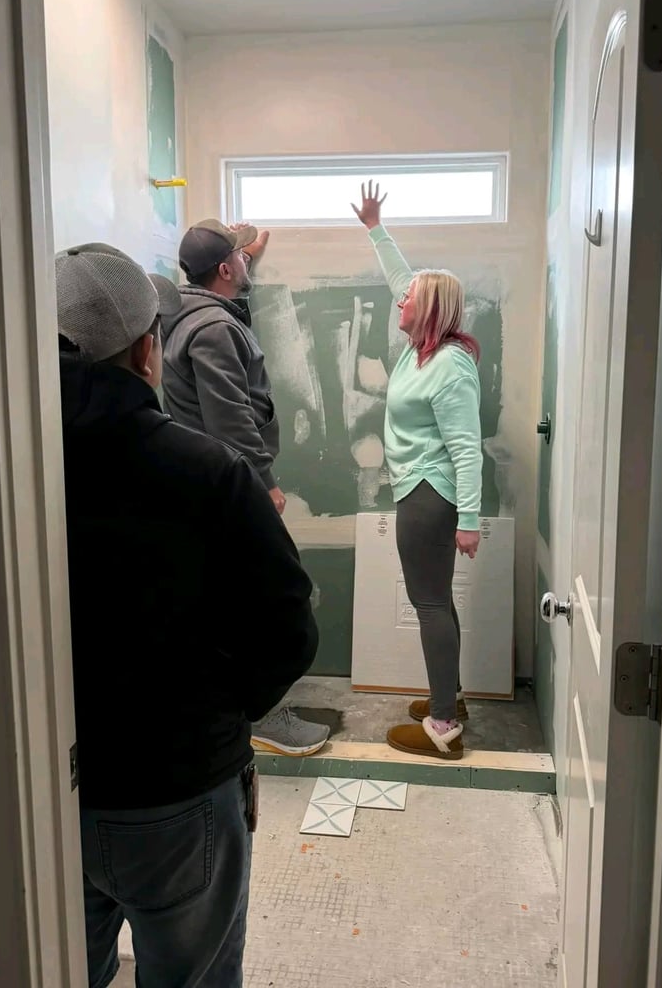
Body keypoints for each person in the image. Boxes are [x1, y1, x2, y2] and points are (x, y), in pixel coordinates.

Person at [56, 243, 318, 988]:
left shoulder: (10, 472)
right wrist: (224, 711)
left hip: (46, 791)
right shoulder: (207, 473)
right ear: (149, 350)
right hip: (182, 790)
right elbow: (289, 629)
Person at [161, 218, 330, 758]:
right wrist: (264, 482)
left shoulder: (186, 309)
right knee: (259, 601)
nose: (244, 260)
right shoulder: (214, 329)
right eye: (238, 257)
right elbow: (229, 415)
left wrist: (248, 248)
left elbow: (229, 269)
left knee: (230, 598)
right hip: (229, 486)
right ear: (225, 269)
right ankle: (263, 715)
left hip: (206, 485)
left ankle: (245, 707)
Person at [352, 182, 483, 761]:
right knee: (437, 600)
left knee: (428, 603)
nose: (399, 301)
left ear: (426, 311)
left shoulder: (449, 366)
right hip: (420, 489)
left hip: (432, 494)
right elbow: (400, 279)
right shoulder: (419, 348)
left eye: (408, 300)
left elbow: (468, 447)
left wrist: (469, 519)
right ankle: (450, 697)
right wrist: (376, 228)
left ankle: (443, 727)